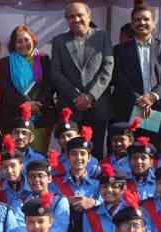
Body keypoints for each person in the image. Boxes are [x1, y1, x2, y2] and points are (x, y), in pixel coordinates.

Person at [51, 2, 114, 158]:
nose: (76, 19)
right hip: (70, 107)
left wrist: (91, 96)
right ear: (67, 20)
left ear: (89, 16)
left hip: (97, 105)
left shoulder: (103, 36)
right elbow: (56, 73)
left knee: (96, 151)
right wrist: (76, 96)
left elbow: (107, 68)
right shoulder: (59, 41)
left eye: (80, 15)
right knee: (70, 152)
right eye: (72, 17)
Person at [112, 5, 161, 126]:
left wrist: (153, 96)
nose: (142, 23)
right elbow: (118, 76)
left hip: (158, 107)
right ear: (132, 24)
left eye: (146, 19)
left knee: (156, 144)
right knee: (133, 144)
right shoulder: (119, 50)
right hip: (129, 108)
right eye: (137, 20)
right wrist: (139, 100)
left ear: (153, 23)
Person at [0, 25, 55, 153]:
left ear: (33, 40)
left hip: (40, 115)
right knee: (15, 158)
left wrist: (38, 104)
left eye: (26, 40)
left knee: (38, 158)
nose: (23, 44)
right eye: (19, 41)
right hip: (14, 116)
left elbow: (49, 84)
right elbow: (5, 89)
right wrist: (25, 104)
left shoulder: (44, 59)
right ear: (13, 44)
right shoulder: (4, 63)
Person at [125, 136, 157, 202]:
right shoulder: (122, 181)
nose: (139, 162)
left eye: (143, 158)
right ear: (129, 161)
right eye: (135, 158)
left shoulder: (158, 182)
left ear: (151, 162)